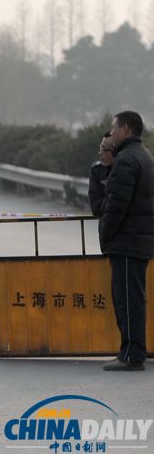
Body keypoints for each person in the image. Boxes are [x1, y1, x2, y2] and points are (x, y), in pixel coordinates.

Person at [98, 111, 153, 371]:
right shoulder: (143, 155)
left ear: (126, 129)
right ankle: (129, 351)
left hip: (128, 242)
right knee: (131, 299)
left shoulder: (127, 160)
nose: (111, 132)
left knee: (128, 301)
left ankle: (132, 355)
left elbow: (116, 205)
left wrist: (105, 234)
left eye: (114, 128)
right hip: (136, 240)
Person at [88, 132, 114, 218]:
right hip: (107, 223)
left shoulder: (130, 169)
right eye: (100, 148)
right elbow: (96, 208)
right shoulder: (97, 170)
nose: (100, 153)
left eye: (104, 149)